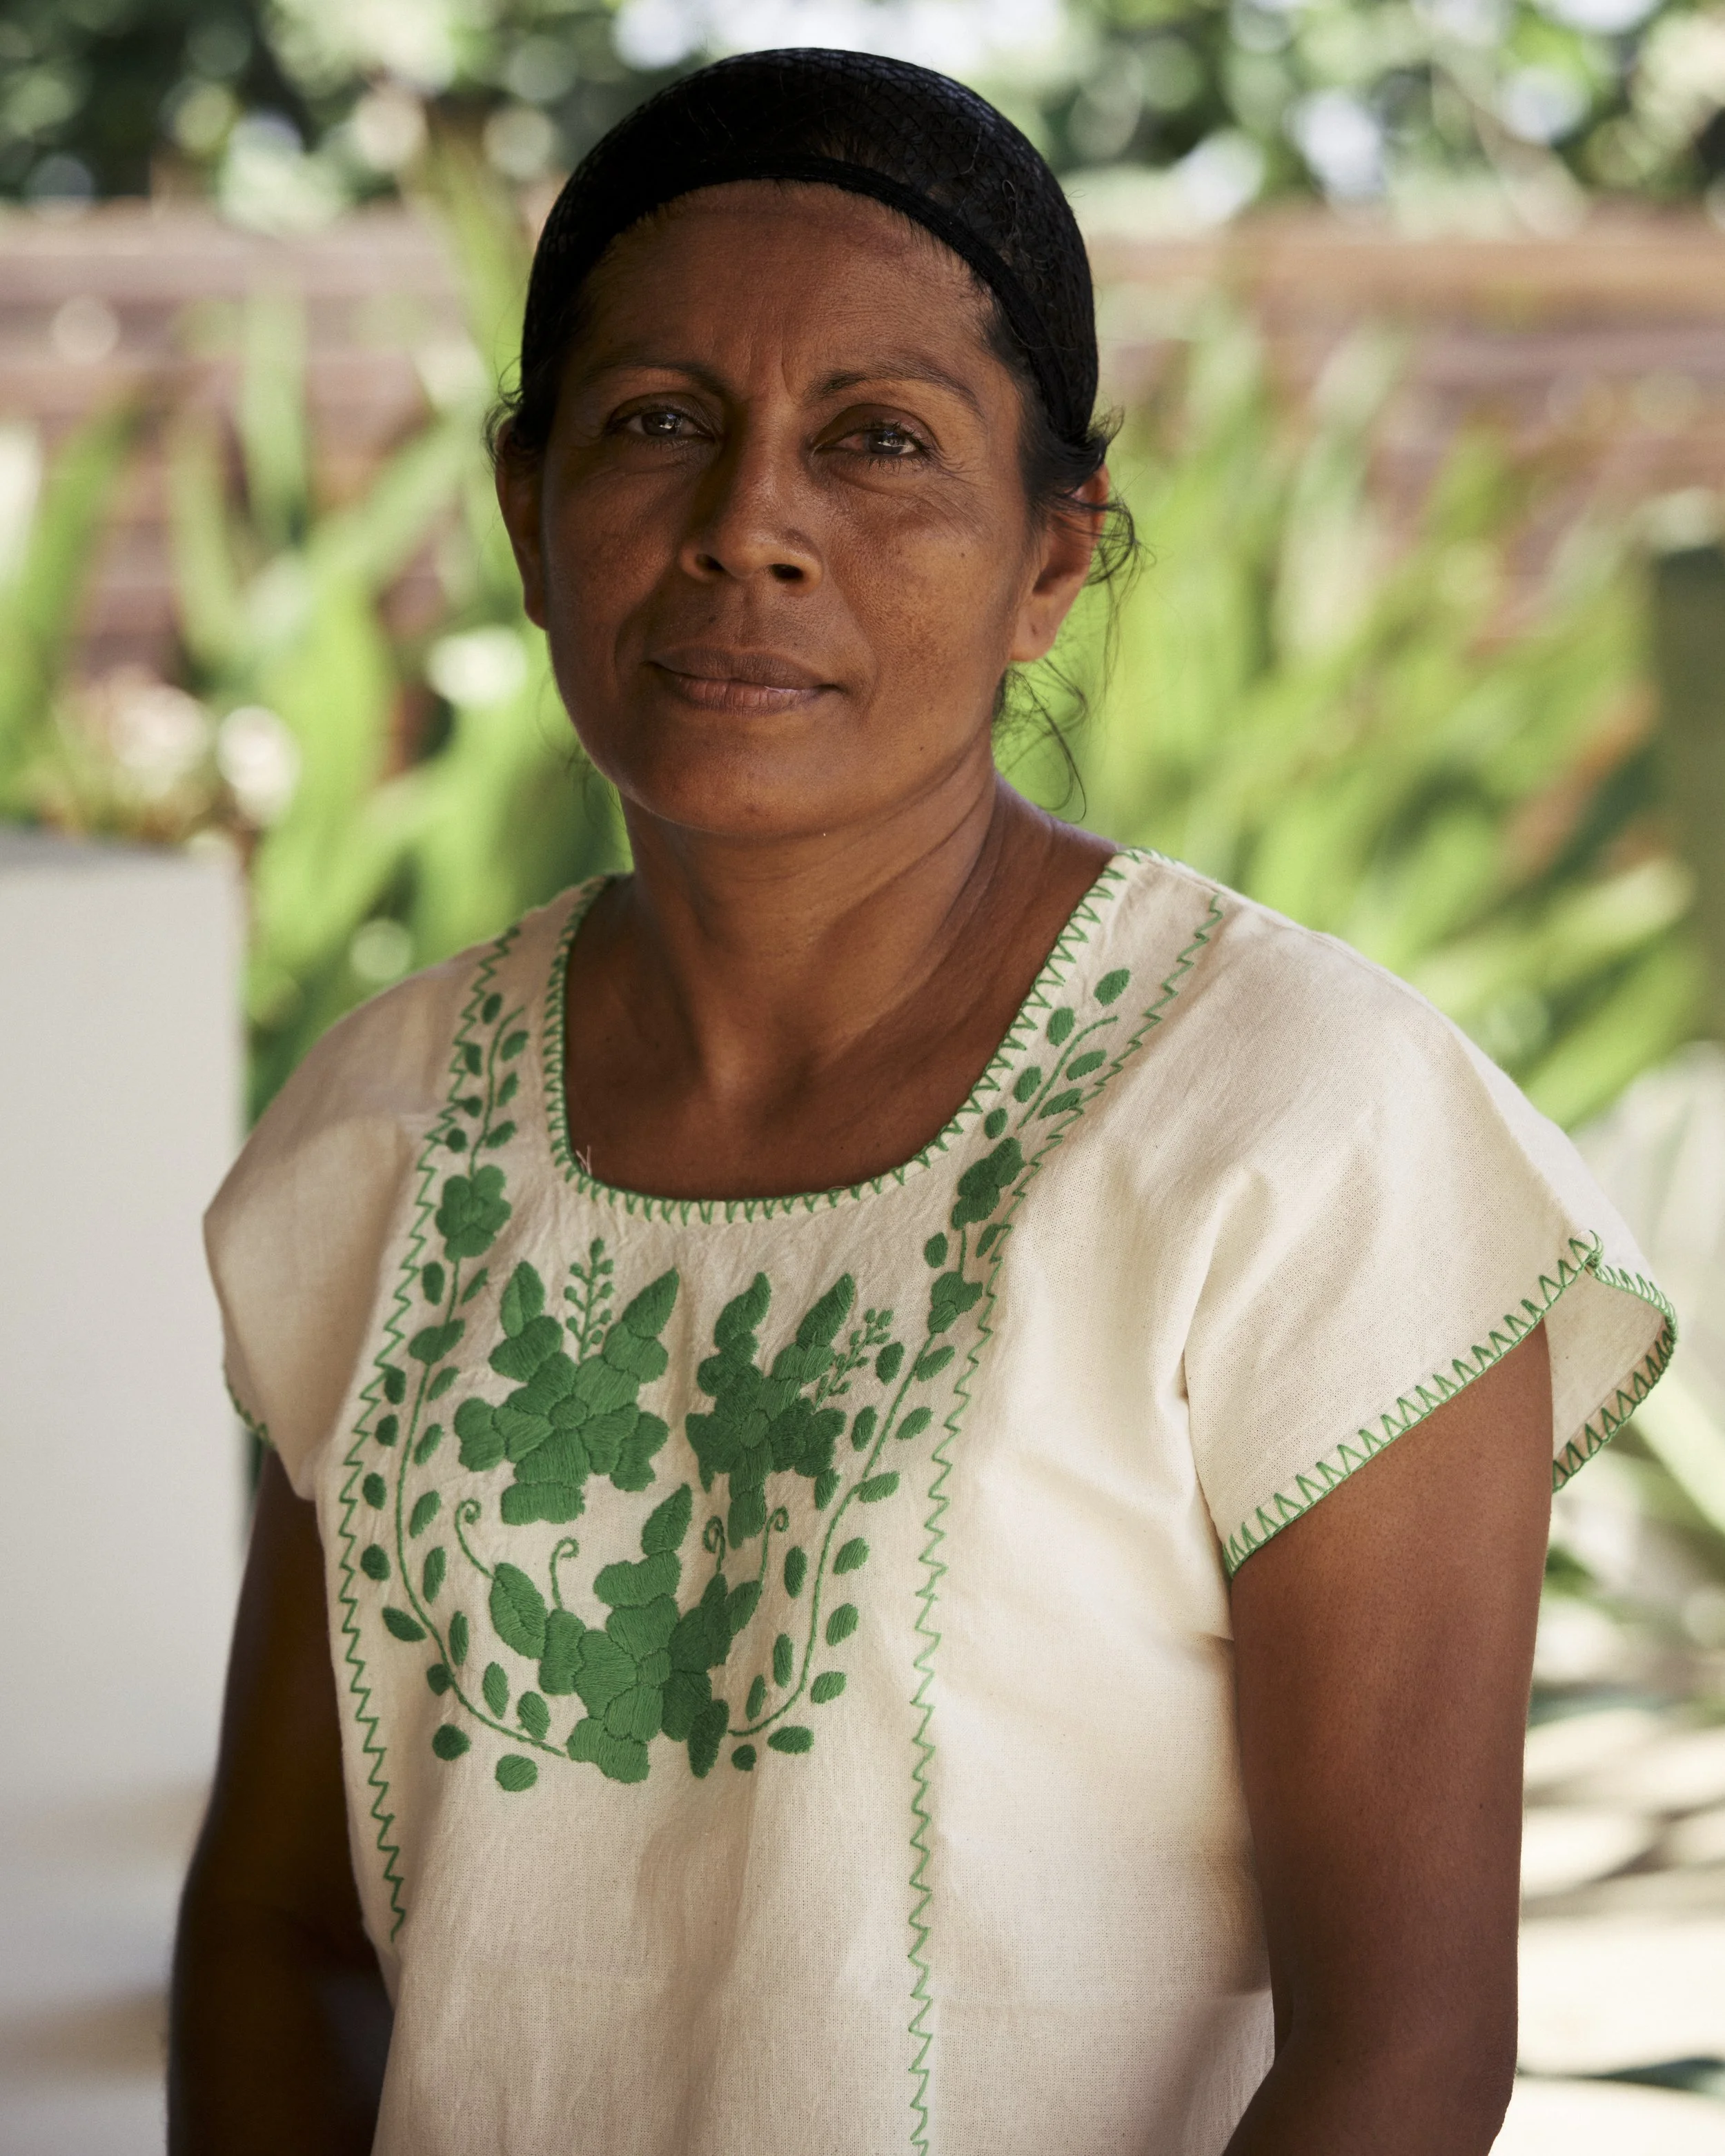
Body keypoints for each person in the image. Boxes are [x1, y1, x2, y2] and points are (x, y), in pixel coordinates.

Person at [170, 49, 1674, 2156]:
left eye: (877, 442)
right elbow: (286, 1938)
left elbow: (1400, 2056)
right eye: (657, 423)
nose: (746, 529)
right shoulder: (388, 1128)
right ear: (527, 512)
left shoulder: (1299, 1130)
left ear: (1051, 563)